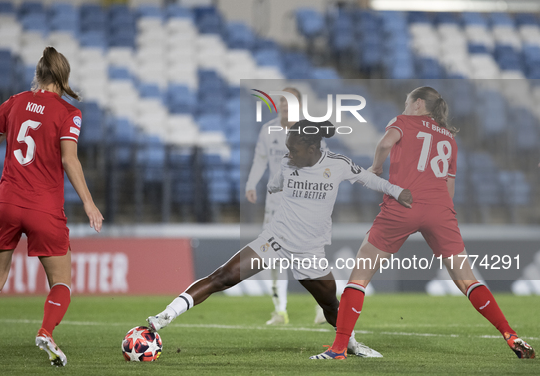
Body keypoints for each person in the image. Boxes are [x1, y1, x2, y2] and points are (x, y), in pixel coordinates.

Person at [146, 120, 412, 357]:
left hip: (310, 251)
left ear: (312, 149)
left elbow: (369, 180)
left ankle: (351, 344)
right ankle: (164, 316)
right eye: (287, 147)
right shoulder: (288, 163)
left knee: (331, 304)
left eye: (294, 149)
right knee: (221, 277)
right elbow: (276, 181)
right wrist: (274, 186)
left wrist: (397, 191)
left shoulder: (338, 164)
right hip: (275, 240)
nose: (288, 153)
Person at [311, 86, 535, 360]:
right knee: (467, 280)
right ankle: (509, 333)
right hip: (440, 209)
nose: (405, 107)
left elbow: (384, 144)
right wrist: (439, 213)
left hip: (403, 203)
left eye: (407, 103)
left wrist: (378, 168)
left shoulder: (403, 121)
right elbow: (450, 186)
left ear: (418, 104)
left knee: (360, 276)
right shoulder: (450, 139)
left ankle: (338, 349)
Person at [0, 47, 104, 368]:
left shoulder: (14, 102)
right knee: (62, 282)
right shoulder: (69, 113)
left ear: (38, 75)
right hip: (44, 208)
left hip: (7, 202)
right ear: (63, 79)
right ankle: (46, 332)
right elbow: (69, 159)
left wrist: (12, 125)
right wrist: (89, 203)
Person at [245, 87, 327, 326]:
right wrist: (251, 183)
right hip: (275, 204)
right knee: (274, 257)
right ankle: (280, 311)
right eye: (281, 101)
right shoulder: (268, 130)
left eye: (288, 102)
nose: (283, 105)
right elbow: (260, 159)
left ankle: (323, 307)